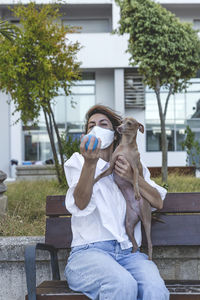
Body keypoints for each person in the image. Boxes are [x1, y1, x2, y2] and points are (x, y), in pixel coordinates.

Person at [64, 104, 169, 300]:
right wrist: (90, 163)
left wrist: (132, 177)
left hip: (129, 254)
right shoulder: (77, 162)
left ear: (115, 134)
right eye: (91, 126)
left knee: (155, 290)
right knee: (122, 285)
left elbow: (158, 201)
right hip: (88, 254)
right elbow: (80, 203)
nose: (96, 129)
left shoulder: (134, 163)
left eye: (103, 125)